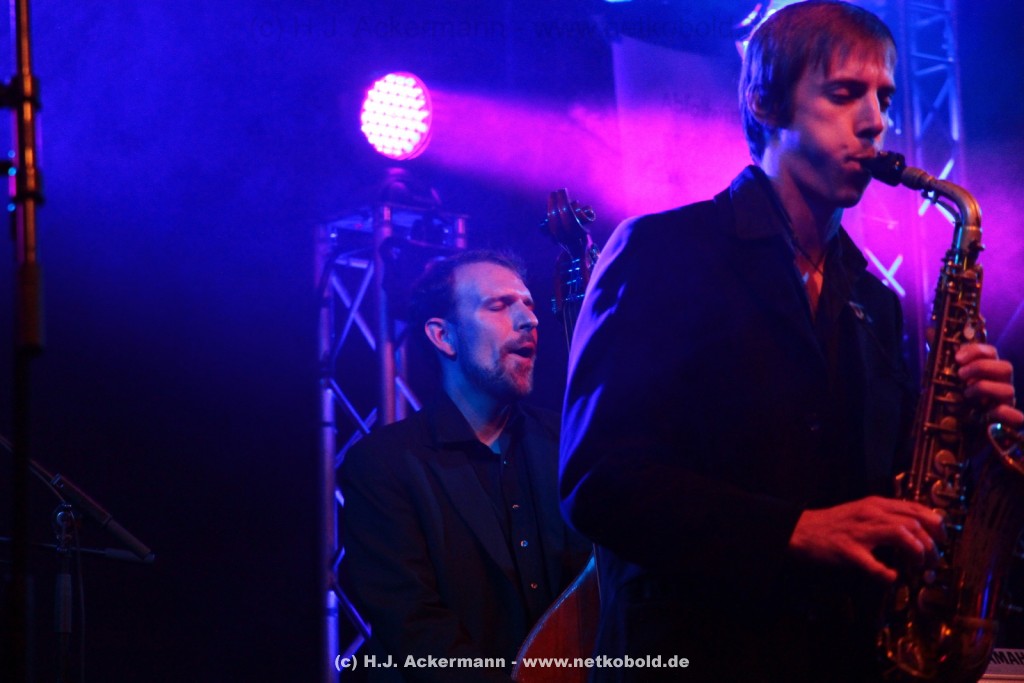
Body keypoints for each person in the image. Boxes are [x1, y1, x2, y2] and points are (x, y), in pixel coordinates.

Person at [558, 2, 1023, 682]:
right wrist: (792, 531)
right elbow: (599, 482)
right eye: (845, 93)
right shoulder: (663, 250)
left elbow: (892, 492)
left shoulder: (876, 302)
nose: (876, 121)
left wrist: (971, 437)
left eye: (885, 98)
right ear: (765, 102)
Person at [341, 250, 591, 682]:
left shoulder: (569, 444)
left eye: (529, 304)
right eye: (499, 306)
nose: (529, 320)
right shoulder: (384, 464)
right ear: (444, 337)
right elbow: (412, 622)